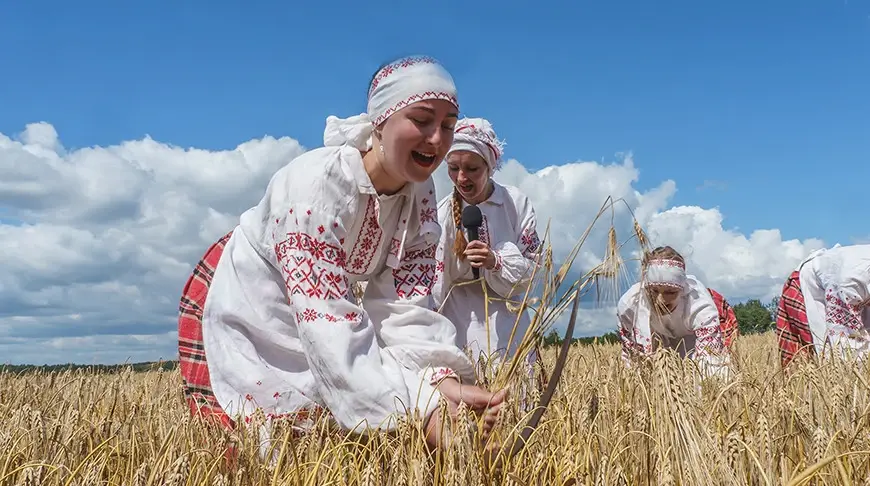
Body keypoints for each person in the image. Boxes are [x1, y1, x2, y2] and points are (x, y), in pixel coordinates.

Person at [177, 55, 506, 453]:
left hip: (319, 303)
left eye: (449, 126)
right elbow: (328, 322)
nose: (437, 139)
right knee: (257, 440)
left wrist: (437, 381)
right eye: (421, 120)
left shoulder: (420, 196)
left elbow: (408, 304)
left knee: (325, 434)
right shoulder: (317, 186)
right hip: (241, 294)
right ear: (381, 120)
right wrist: (423, 409)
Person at [431, 117, 541, 377]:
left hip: (508, 322)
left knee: (513, 401)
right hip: (459, 323)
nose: (461, 178)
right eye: (453, 167)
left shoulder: (515, 204)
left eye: (472, 169)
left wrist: (496, 261)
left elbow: (535, 269)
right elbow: (433, 283)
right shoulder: (442, 214)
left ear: (489, 167)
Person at [616, 246, 731, 376]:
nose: (661, 300)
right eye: (653, 291)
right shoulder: (630, 305)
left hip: (692, 335)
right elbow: (632, 358)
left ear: (682, 289)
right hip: (658, 336)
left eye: (670, 292)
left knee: (698, 371)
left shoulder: (700, 305)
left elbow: (711, 362)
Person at [775, 244, 870, 368]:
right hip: (810, 289)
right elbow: (844, 340)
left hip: (855, 295)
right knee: (830, 358)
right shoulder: (851, 281)